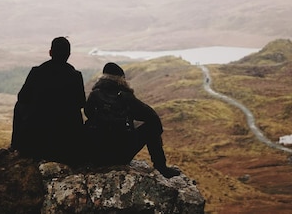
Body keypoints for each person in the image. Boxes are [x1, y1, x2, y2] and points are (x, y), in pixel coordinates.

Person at [84, 62, 181, 178]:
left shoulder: (94, 95)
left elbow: (88, 113)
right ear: (121, 79)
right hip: (120, 155)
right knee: (152, 126)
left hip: (97, 155)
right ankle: (161, 167)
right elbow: (152, 117)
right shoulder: (126, 97)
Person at [11, 36, 86, 165]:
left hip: (37, 142)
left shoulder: (37, 72)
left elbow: (22, 97)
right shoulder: (75, 75)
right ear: (69, 54)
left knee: (20, 106)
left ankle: (17, 146)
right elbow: (81, 102)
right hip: (67, 144)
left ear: (50, 52)